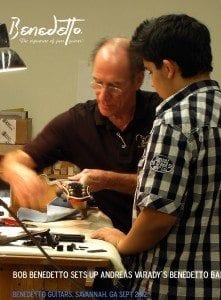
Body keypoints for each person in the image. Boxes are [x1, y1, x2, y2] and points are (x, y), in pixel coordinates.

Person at [90, 14, 221, 299]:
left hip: (173, 287)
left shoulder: (174, 122)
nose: (151, 83)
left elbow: (157, 217)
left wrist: (123, 242)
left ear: (168, 68)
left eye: (150, 71)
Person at [0, 37, 161, 234]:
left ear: (138, 79)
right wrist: (20, 173)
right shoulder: (79, 121)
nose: (103, 96)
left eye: (114, 86)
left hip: (160, 238)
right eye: (98, 83)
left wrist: (107, 180)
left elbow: (166, 185)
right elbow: (14, 161)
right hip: (111, 236)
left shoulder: (162, 115)